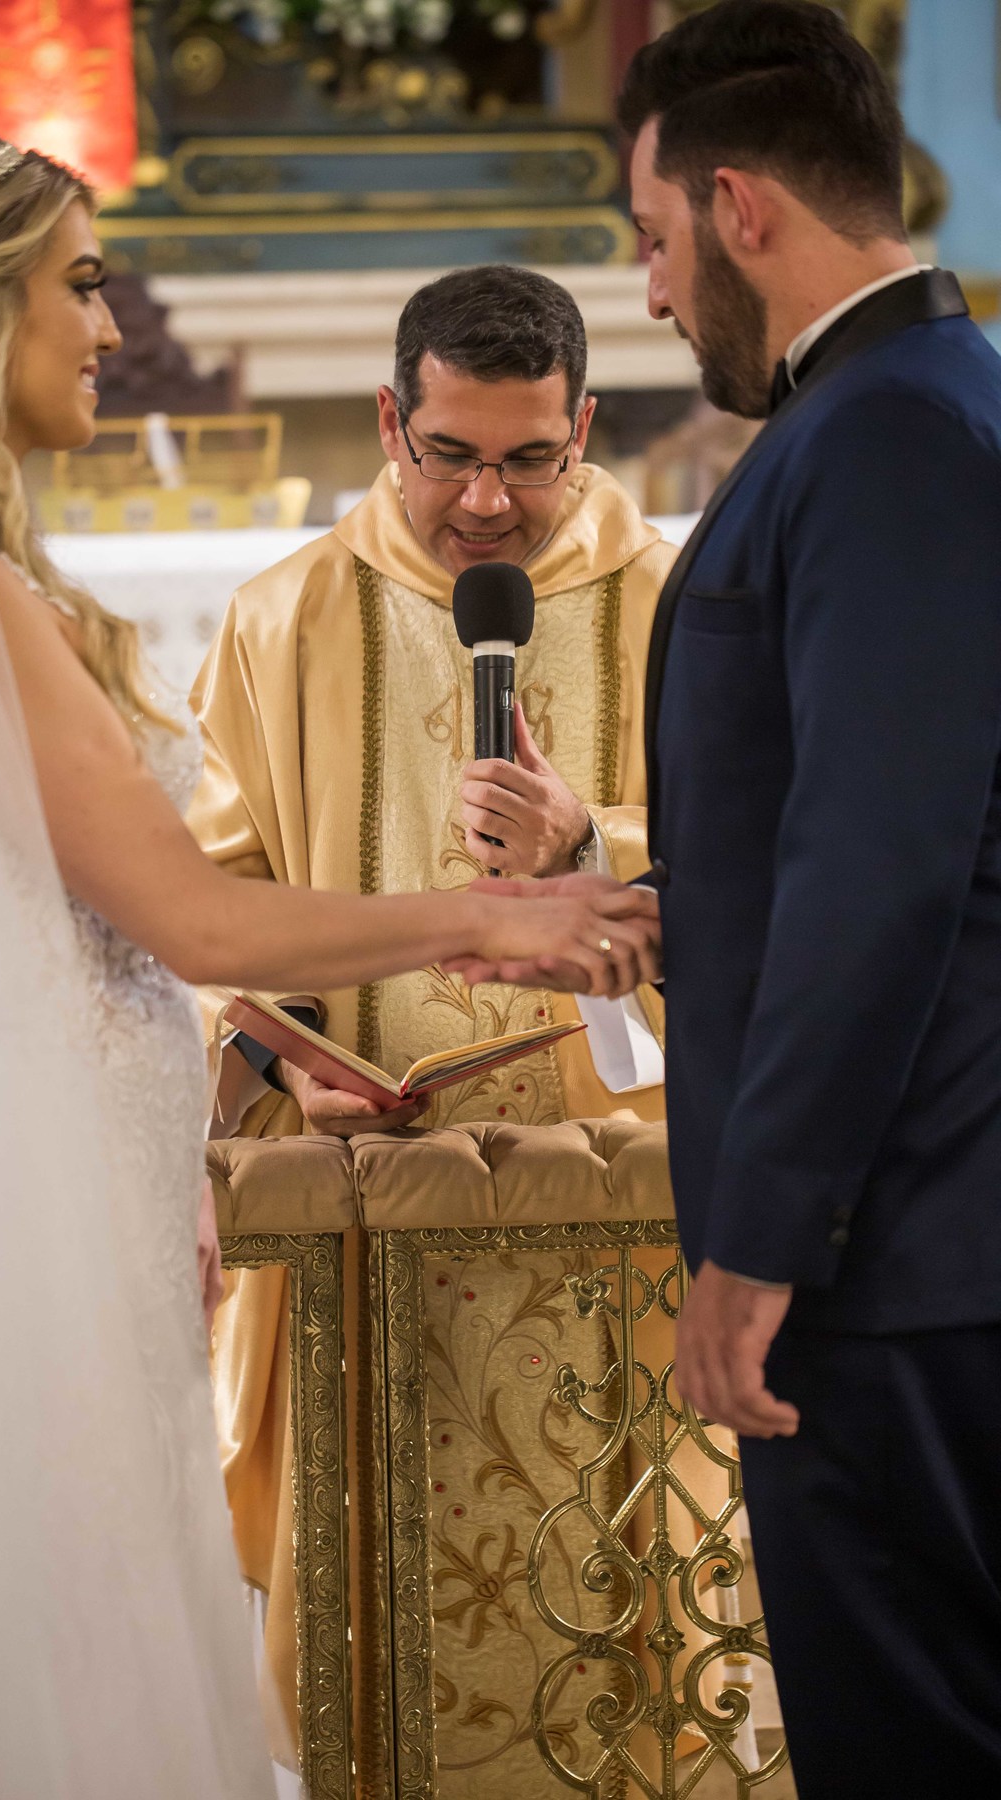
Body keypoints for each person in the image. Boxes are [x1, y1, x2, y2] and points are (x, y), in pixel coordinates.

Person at [0, 124, 658, 1799]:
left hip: (163, 1210)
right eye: (82, 283)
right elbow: (191, 920)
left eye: (532, 460)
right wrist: (491, 916)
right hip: (79, 1234)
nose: (110, 326)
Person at [469, 2, 1001, 1790]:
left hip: (900, 1257)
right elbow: (872, 846)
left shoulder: (889, 440)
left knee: (912, 1738)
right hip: (913, 1235)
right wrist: (619, 900)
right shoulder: (901, 413)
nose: (648, 290)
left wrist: (758, 1247)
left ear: (745, 208)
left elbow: (887, 873)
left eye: (653, 238)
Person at [187, 266, 730, 1780]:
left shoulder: (683, 605)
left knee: (629, 1634)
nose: (488, 503)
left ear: (585, 431)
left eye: (530, 459)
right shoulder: (281, 616)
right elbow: (217, 907)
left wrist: (597, 842)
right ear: (390, 423)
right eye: (453, 456)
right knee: (381, 1648)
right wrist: (293, 1060)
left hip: (622, 1210)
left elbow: (776, 880)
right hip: (368, 1215)